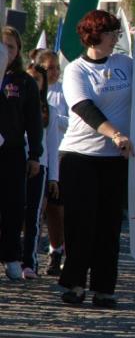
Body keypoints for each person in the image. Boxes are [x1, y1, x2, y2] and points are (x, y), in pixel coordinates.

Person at [58, 10, 133, 308]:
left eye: (118, 32)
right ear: (95, 35)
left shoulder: (125, 64)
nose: (116, 37)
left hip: (114, 159)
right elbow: (84, 108)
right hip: (80, 156)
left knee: (109, 225)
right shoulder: (76, 70)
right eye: (112, 32)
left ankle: (105, 288)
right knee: (82, 223)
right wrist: (115, 134)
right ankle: (74, 284)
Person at [0, 26, 43, 280]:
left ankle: (11, 257)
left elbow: (33, 120)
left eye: (11, 47)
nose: (6, 52)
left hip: (13, 152)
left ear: (18, 52)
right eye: (2, 46)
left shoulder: (23, 82)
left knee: (14, 206)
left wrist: (35, 154)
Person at [22, 63, 59, 279]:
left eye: (37, 79)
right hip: (14, 162)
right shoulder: (13, 104)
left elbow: (52, 146)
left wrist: (54, 177)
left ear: (44, 83)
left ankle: (30, 261)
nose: (32, 83)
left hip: (40, 167)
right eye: (29, 78)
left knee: (34, 215)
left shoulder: (49, 110)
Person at [34, 49, 68, 275]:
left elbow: (75, 118)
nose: (54, 72)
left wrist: (56, 118)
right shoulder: (33, 90)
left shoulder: (65, 91)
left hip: (60, 154)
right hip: (37, 156)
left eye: (57, 67)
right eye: (49, 68)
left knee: (56, 209)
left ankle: (56, 250)